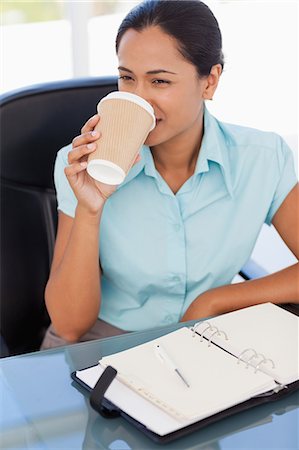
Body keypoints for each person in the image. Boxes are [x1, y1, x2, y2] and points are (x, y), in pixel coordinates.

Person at [41, 0, 298, 349]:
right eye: (127, 78)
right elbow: (70, 327)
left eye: (159, 81)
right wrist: (90, 208)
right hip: (102, 344)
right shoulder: (82, 165)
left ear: (209, 82)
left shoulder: (263, 159)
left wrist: (217, 300)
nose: (140, 99)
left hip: (204, 341)